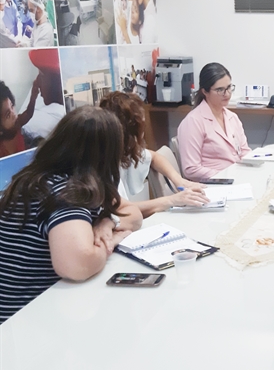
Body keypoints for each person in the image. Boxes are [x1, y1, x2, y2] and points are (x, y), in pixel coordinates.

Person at [0, 106, 143, 324]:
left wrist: (106, 223)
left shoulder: (43, 177)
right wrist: (111, 240)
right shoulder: (65, 193)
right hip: (23, 320)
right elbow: (78, 265)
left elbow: (133, 213)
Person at [99, 91, 210, 218]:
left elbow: (154, 157)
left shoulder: (123, 149)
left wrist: (179, 181)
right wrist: (172, 200)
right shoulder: (102, 164)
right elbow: (120, 209)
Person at [177, 62, 251, 180]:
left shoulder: (232, 117)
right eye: (220, 90)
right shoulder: (193, 122)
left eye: (228, 88)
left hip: (236, 179)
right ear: (205, 91)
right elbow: (191, 169)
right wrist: (226, 176)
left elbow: (244, 152)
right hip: (212, 184)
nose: (226, 94)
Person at [0, 79, 38, 158]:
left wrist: (33, 97)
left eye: (12, 106)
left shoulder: (17, 123)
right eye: (8, 115)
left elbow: (28, 114)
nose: (14, 113)